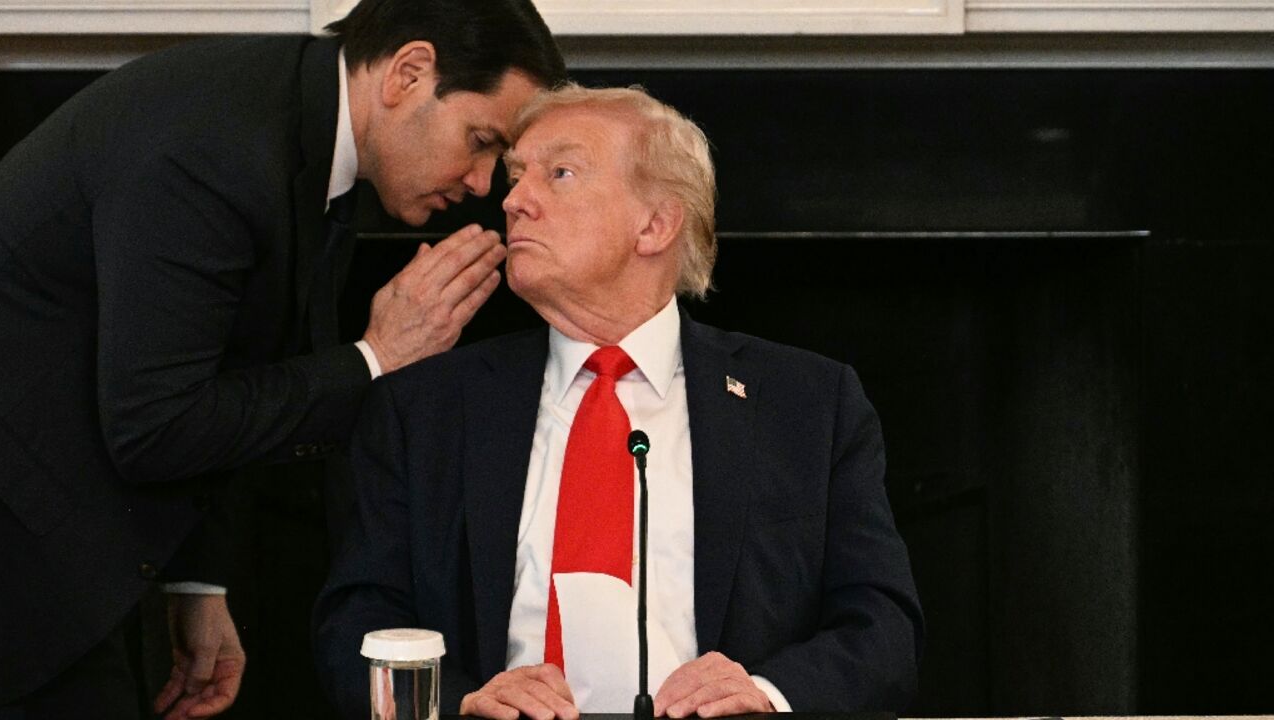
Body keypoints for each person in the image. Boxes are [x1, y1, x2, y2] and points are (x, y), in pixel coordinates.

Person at [0, 0, 565, 717]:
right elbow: (156, 423)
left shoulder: (304, 124)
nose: (485, 185)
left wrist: (198, 584)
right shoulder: (213, 150)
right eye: (480, 140)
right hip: (23, 565)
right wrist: (376, 357)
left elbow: (235, 368)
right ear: (409, 73)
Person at [314, 84, 924, 719]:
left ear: (655, 224)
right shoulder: (424, 408)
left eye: (560, 173)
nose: (516, 200)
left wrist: (766, 695)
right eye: (517, 176)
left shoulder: (808, 404)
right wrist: (461, 698)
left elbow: (882, 629)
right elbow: (354, 623)